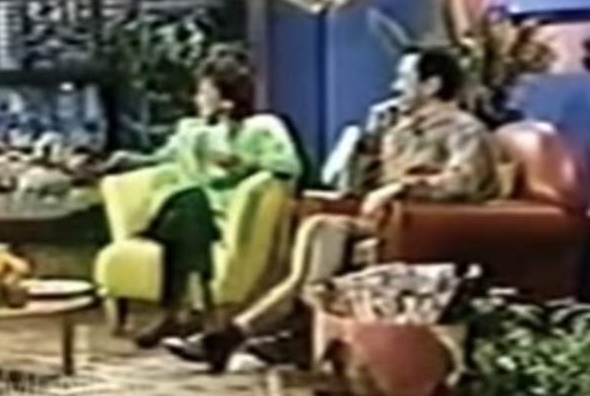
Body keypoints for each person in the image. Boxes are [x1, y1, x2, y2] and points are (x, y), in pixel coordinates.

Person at [167, 47, 500, 372]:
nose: (396, 86)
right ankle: (261, 336)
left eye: (403, 78)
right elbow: (357, 186)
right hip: (379, 220)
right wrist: (366, 143)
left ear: (432, 85)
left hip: (423, 224)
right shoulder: (399, 128)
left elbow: (463, 181)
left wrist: (403, 187)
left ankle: (251, 338)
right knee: (319, 228)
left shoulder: (465, 129)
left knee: (321, 246)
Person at [102, 48, 303, 348]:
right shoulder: (190, 132)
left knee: (192, 215)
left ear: (226, 100)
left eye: (204, 92)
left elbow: (288, 167)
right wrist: (123, 160)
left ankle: (176, 314)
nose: (198, 99)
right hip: (179, 212)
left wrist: (241, 164)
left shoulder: (262, 128)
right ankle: (194, 313)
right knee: (191, 204)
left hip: (228, 219)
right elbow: (160, 159)